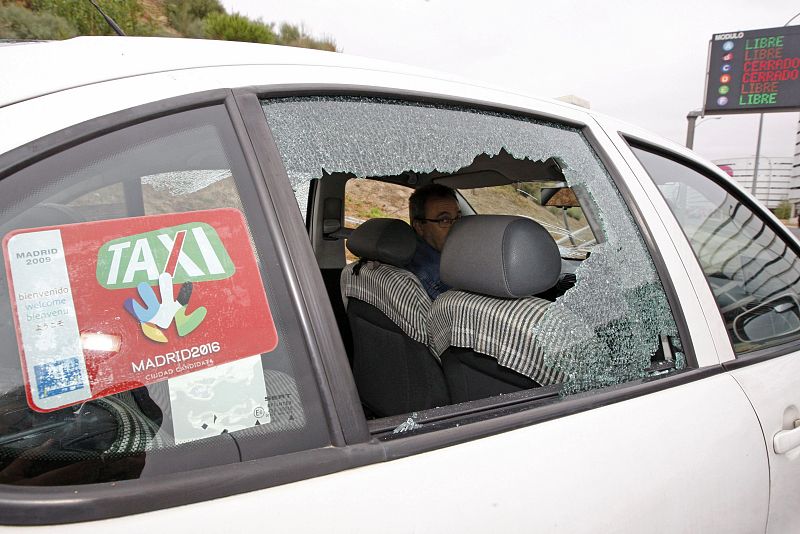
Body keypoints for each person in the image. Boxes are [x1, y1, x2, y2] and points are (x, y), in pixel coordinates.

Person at [406, 184, 461, 299]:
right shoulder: (435, 279)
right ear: (420, 227)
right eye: (444, 220)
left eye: (459, 217)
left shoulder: (408, 251)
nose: (457, 227)